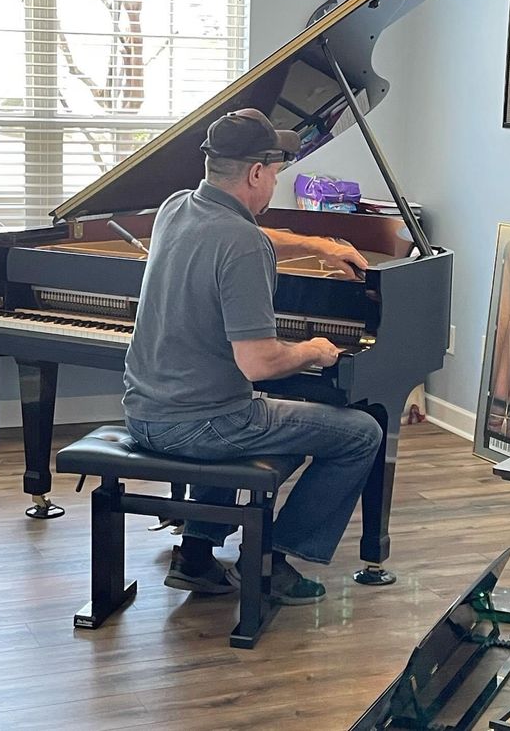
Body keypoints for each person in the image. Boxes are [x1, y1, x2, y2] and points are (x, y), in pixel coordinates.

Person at [123, 108, 383, 605]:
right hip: (202, 424)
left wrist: (315, 245)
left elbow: (246, 234)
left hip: (143, 413)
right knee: (360, 434)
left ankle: (196, 556)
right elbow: (259, 365)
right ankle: (270, 558)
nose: (276, 183)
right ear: (257, 173)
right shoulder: (242, 245)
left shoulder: (175, 209)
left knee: (237, 401)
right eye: (277, 173)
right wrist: (313, 351)